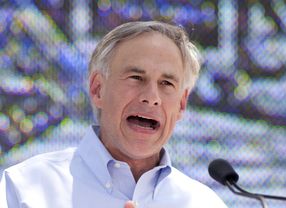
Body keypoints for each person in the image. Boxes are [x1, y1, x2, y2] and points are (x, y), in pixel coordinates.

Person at [0, 21, 228, 208]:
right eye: (136, 78)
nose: (151, 96)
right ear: (98, 89)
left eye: (166, 83)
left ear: (181, 104)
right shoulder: (24, 188)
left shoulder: (205, 203)